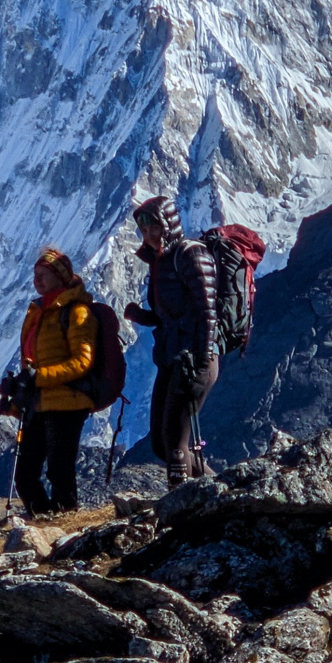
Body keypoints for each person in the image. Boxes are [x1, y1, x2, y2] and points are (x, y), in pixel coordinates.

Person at [124, 197, 219, 489]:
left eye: (154, 228)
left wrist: (201, 359)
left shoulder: (190, 255)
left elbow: (206, 311)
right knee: (160, 442)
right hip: (172, 357)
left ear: (168, 224)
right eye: (144, 231)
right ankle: (220, 488)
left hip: (195, 358)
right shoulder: (161, 262)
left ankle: (180, 509)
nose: (150, 236)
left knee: (175, 440)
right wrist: (144, 316)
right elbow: (174, 315)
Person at [3, 247, 97, 515]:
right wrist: (16, 396)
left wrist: (39, 377)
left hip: (68, 402)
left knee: (59, 471)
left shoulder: (77, 312)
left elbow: (83, 362)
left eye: (44, 274)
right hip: (40, 403)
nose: (38, 280)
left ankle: (64, 524)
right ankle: (45, 522)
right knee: (25, 475)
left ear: (60, 276)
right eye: (35, 275)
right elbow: (32, 363)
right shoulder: (39, 313)